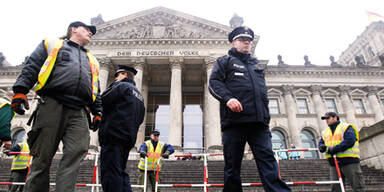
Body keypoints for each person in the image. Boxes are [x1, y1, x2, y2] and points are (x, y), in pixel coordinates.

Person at [11, 21, 102, 192]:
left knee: (77, 152)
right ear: (73, 29)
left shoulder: (93, 60)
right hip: (52, 104)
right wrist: (20, 91)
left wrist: (97, 110)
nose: (91, 33)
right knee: (42, 158)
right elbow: (32, 67)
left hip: (79, 111)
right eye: (87, 29)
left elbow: (95, 87)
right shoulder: (53, 44)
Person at [209, 26, 291, 192]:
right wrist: (228, 98)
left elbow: (262, 95)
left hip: (258, 124)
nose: (246, 43)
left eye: (249, 41)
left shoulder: (256, 67)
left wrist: (266, 119)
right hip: (235, 123)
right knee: (232, 168)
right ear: (234, 43)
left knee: (269, 163)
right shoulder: (224, 61)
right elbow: (214, 83)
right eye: (242, 40)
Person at [99, 65, 145, 192]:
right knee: (120, 172)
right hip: (128, 139)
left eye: (117, 76)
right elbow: (140, 119)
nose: (115, 79)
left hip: (113, 135)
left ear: (124, 74)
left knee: (110, 174)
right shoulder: (139, 96)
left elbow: (102, 101)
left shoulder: (121, 86)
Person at [318, 112, 365, 192]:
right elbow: (321, 142)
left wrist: (333, 149)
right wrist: (321, 147)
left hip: (349, 161)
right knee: (336, 188)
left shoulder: (346, 127)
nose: (326, 121)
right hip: (334, 163)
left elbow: (349, 141)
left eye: (328, 118)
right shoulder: (325, 132)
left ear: (335, 118)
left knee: (357, 186)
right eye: (325, 119)